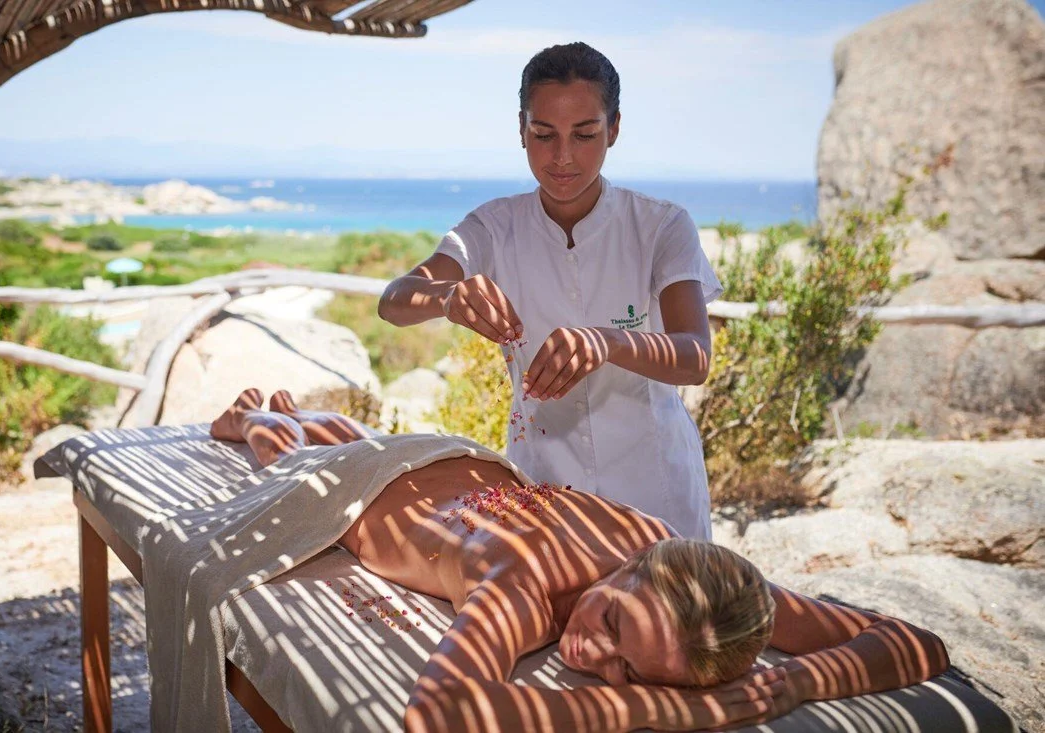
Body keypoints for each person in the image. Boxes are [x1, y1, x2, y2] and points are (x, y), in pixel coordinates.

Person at [210, 389, 951, 733]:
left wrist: (790, 681)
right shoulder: (524, 586)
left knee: (340, 431)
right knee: (288, 444)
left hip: (428, 474)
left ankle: (301, 413)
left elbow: (917, 644)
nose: (594, 656)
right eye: (612, 621)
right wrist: (657, 705)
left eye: (628, 672)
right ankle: (253, 417)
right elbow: (436, 712)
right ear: (634, 564)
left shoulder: (703, 597)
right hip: (400, 477)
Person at [378, 42, 721, 540]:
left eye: (585, 135)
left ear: (615, 129)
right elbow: (394, 300)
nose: (563, 157)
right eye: (544, 134)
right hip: (545, 491)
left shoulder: (661, 226)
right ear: (521, 130)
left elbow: (695, 357)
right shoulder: (494, 227)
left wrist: (609, 342)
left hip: (656, 491)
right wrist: (447, 300)